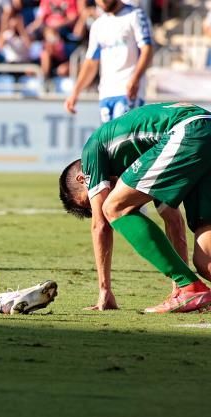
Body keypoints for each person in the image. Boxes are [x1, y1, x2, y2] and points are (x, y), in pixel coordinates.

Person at [58, 102, 211, 313]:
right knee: (205, 262)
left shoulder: (92, 149)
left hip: (187, 130)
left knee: (113, 207)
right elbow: (173, 221)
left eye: (89, 199)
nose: (97, 200)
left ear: (82, 178)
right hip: (202, 128)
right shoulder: (149, 159)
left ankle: (189, 287)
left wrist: (104, 289)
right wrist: (179, 287)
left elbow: (100, 225)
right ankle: (187, 289)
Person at [63, 0, 153, 123]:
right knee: (109, 141)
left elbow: (147, 49)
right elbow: (91, 62)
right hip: (106, 92)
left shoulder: (135, 15)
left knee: (122, 138)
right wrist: (75, 93)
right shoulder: (98, 25)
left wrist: (135, 78)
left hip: (128, 90)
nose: (103, 3)